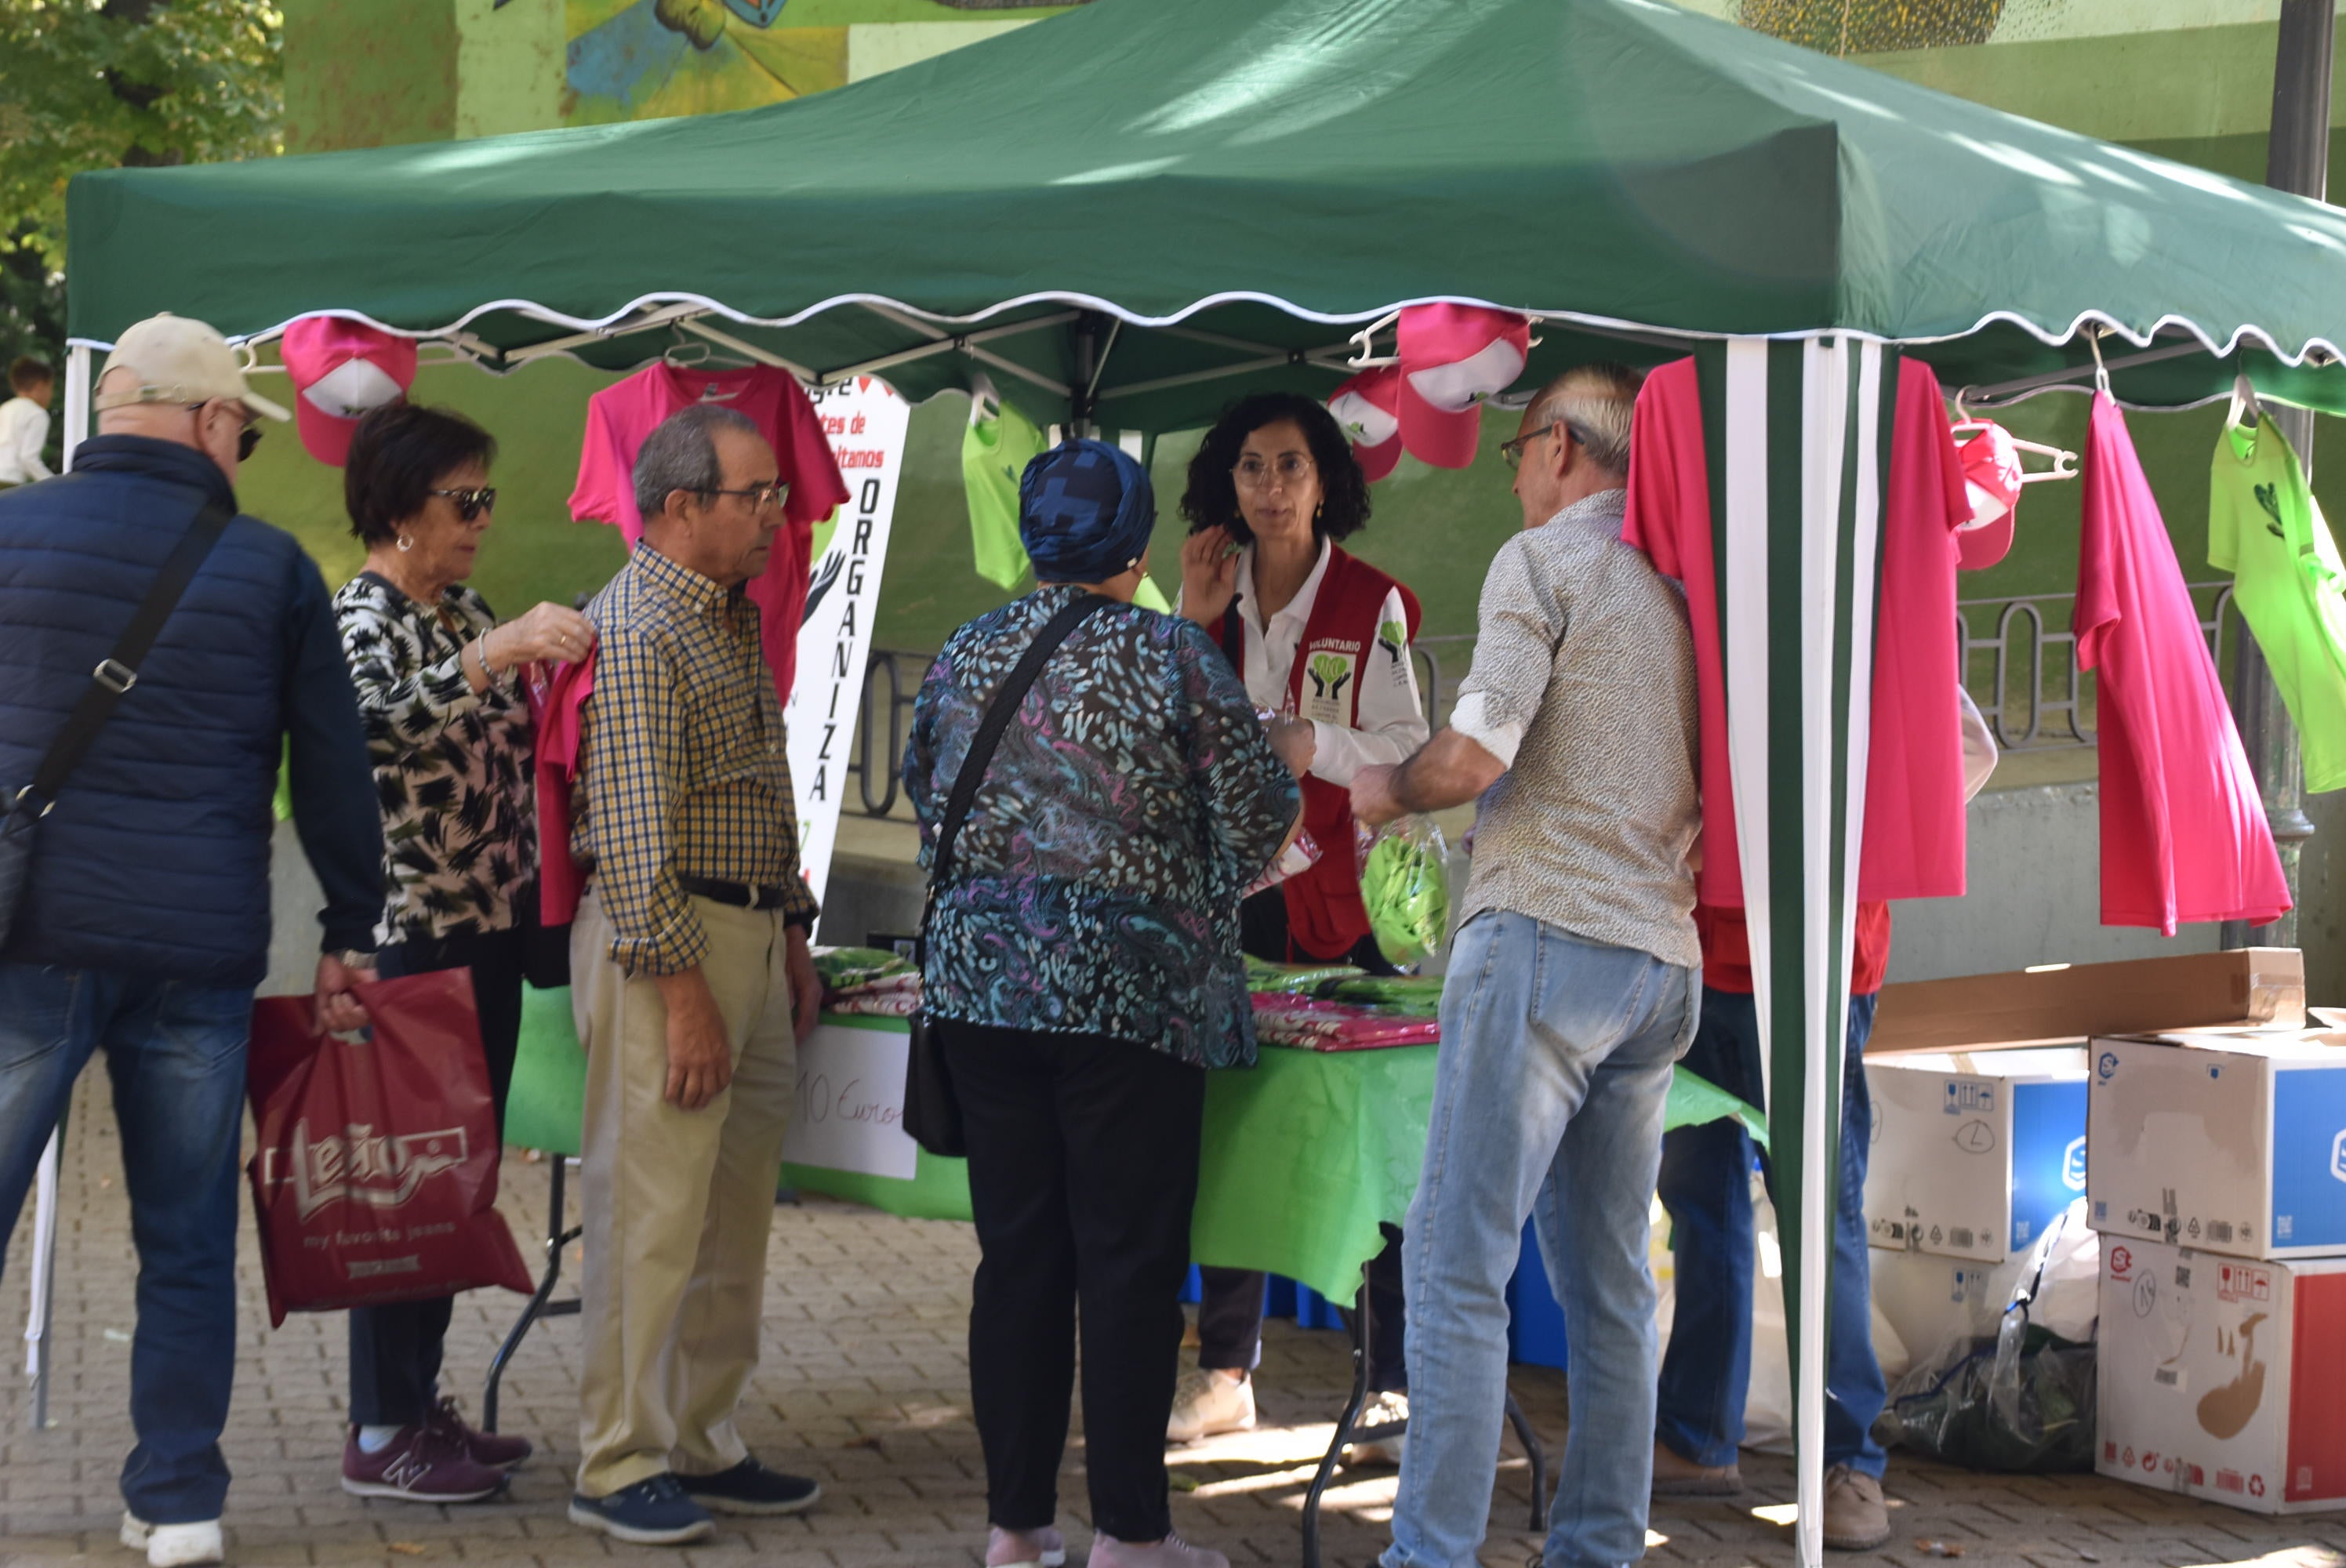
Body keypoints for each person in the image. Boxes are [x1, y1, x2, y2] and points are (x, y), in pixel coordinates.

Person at [0, 314, 383, 1568]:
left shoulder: (7, 533)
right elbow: (333, 770)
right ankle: (177, 1503)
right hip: (195, 947)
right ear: (213, 423)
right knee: (184, 1238)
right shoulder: (270, 568)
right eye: (248, 433)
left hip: (30, 935)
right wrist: (349, 928)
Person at [903, 439, 1300, 1568]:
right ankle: (1131, 1536)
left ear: (1035, 540)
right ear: (1135, 546)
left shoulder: (970, 646)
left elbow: (931, 793)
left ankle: (1015, 1532)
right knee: (1127, 1264)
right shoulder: (1174, 654)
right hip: (1132, 1005)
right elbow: (1262, 814)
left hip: (983, 996)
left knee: (1018, 1259)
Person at [1352, 363, 1699, 1568]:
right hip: (1660, 962)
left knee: (1455, 1268)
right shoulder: (1688, 584)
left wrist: (1385, 787)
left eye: (1512, 453)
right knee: (1610, 1287)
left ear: (1557, 446)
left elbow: (1478, 751)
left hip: (1547, 936)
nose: (1513, 477)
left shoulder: (1545, 561)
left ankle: (1430, 1555)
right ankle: (1599, 1547)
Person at [564, 402, 827, 1545]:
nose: (779, 514)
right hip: (667, 943)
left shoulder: (722, 617)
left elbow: (762, 791)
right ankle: (618, 1459)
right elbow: (628, 837)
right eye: (756, 496)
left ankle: (703, 1436)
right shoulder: (635, 627)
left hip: (750, 937)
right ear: (679, 508)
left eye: (777, 494)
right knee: (653, 1209)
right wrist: (682, 995)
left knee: (731, 1212)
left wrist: (795, 933)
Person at [1653, 687, 1999, 1550]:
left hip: (1818, 961)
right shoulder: (1684, 580)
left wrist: (1854, 846)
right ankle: (1698, 1435)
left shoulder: (1864, 594)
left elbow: (1967, 746)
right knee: (1702, 1207)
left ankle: (1849, 1460)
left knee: (1821, 1217)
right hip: (1691, 950)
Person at [330, 401, 597, 1502]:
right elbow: (375, 728)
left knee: (450, 1187)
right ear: (400, 508)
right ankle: (380, 1425)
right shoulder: (364, 615)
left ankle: (417, 1401)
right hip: (414, 944)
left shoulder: (458, 607)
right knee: (407, 1191)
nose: (483, 521)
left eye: (488, 499)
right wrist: (496, 655)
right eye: (464, 501)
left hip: (483, 933)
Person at [1171, 391, 1428, 1453]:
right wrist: (1189, 617)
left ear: (1327, 481)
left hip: (1344, 913)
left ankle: (1391, 1376)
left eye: (1289, 466)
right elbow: (1160, 735)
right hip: (1229, 912)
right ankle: (1226, 1371)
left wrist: (1312, 743)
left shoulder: (1374, 602)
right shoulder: (1209, 595)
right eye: (1249, 468)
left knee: (1354, 1145)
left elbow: (1412, 750)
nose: (1269, 488)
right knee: (1228, 1138)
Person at [0, 354, 55, 485]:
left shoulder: (5, 408)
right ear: (40, 386)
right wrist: (54, 483)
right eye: (50, 388)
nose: (50, 394)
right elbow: (28, 458)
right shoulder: (37, 414)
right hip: (9, 482)